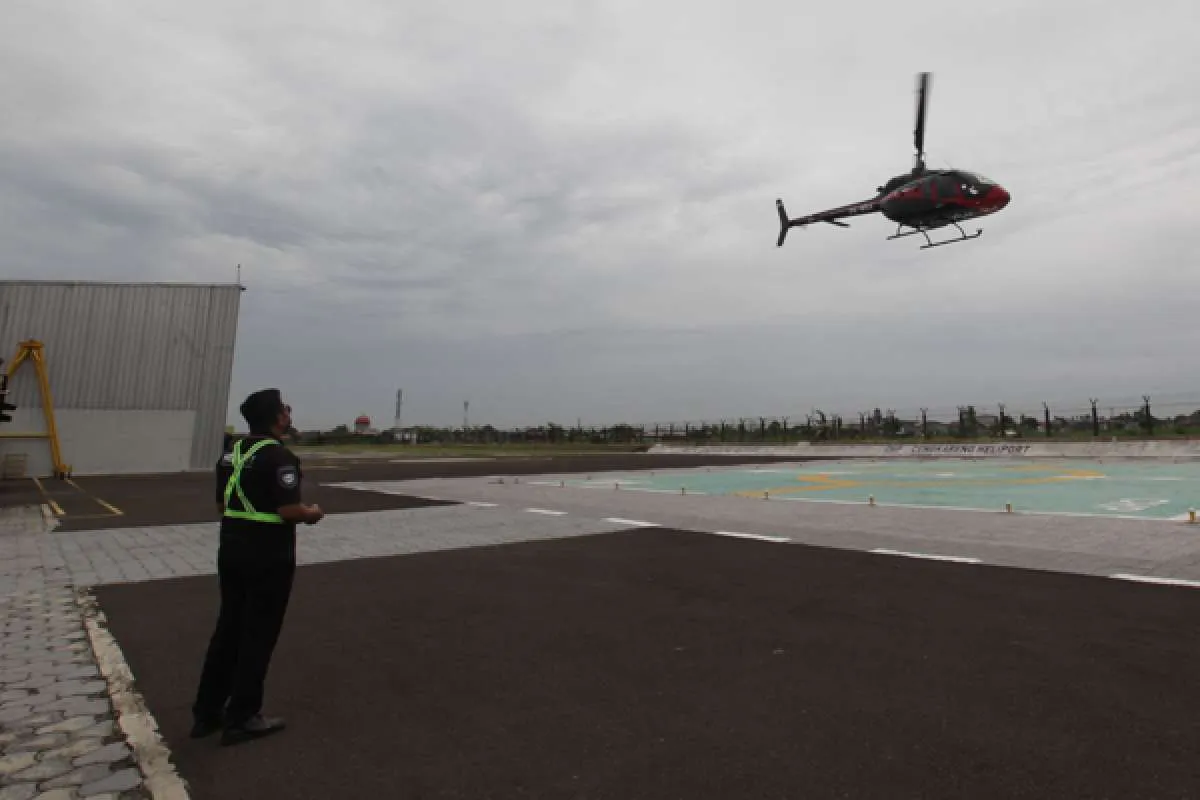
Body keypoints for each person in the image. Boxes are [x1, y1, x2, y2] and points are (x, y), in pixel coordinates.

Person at [190, 388, 324, 746]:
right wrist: (312, 513)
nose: (289, 411)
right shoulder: (280, 457)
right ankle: (244, 715)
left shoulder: (230, 454)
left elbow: (222, 504)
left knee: (229, 628)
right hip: (268, 552)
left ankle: (207, 712)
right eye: (284, 408)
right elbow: (288, 511)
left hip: (232, 545)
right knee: (259, 633)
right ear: (275, 417)